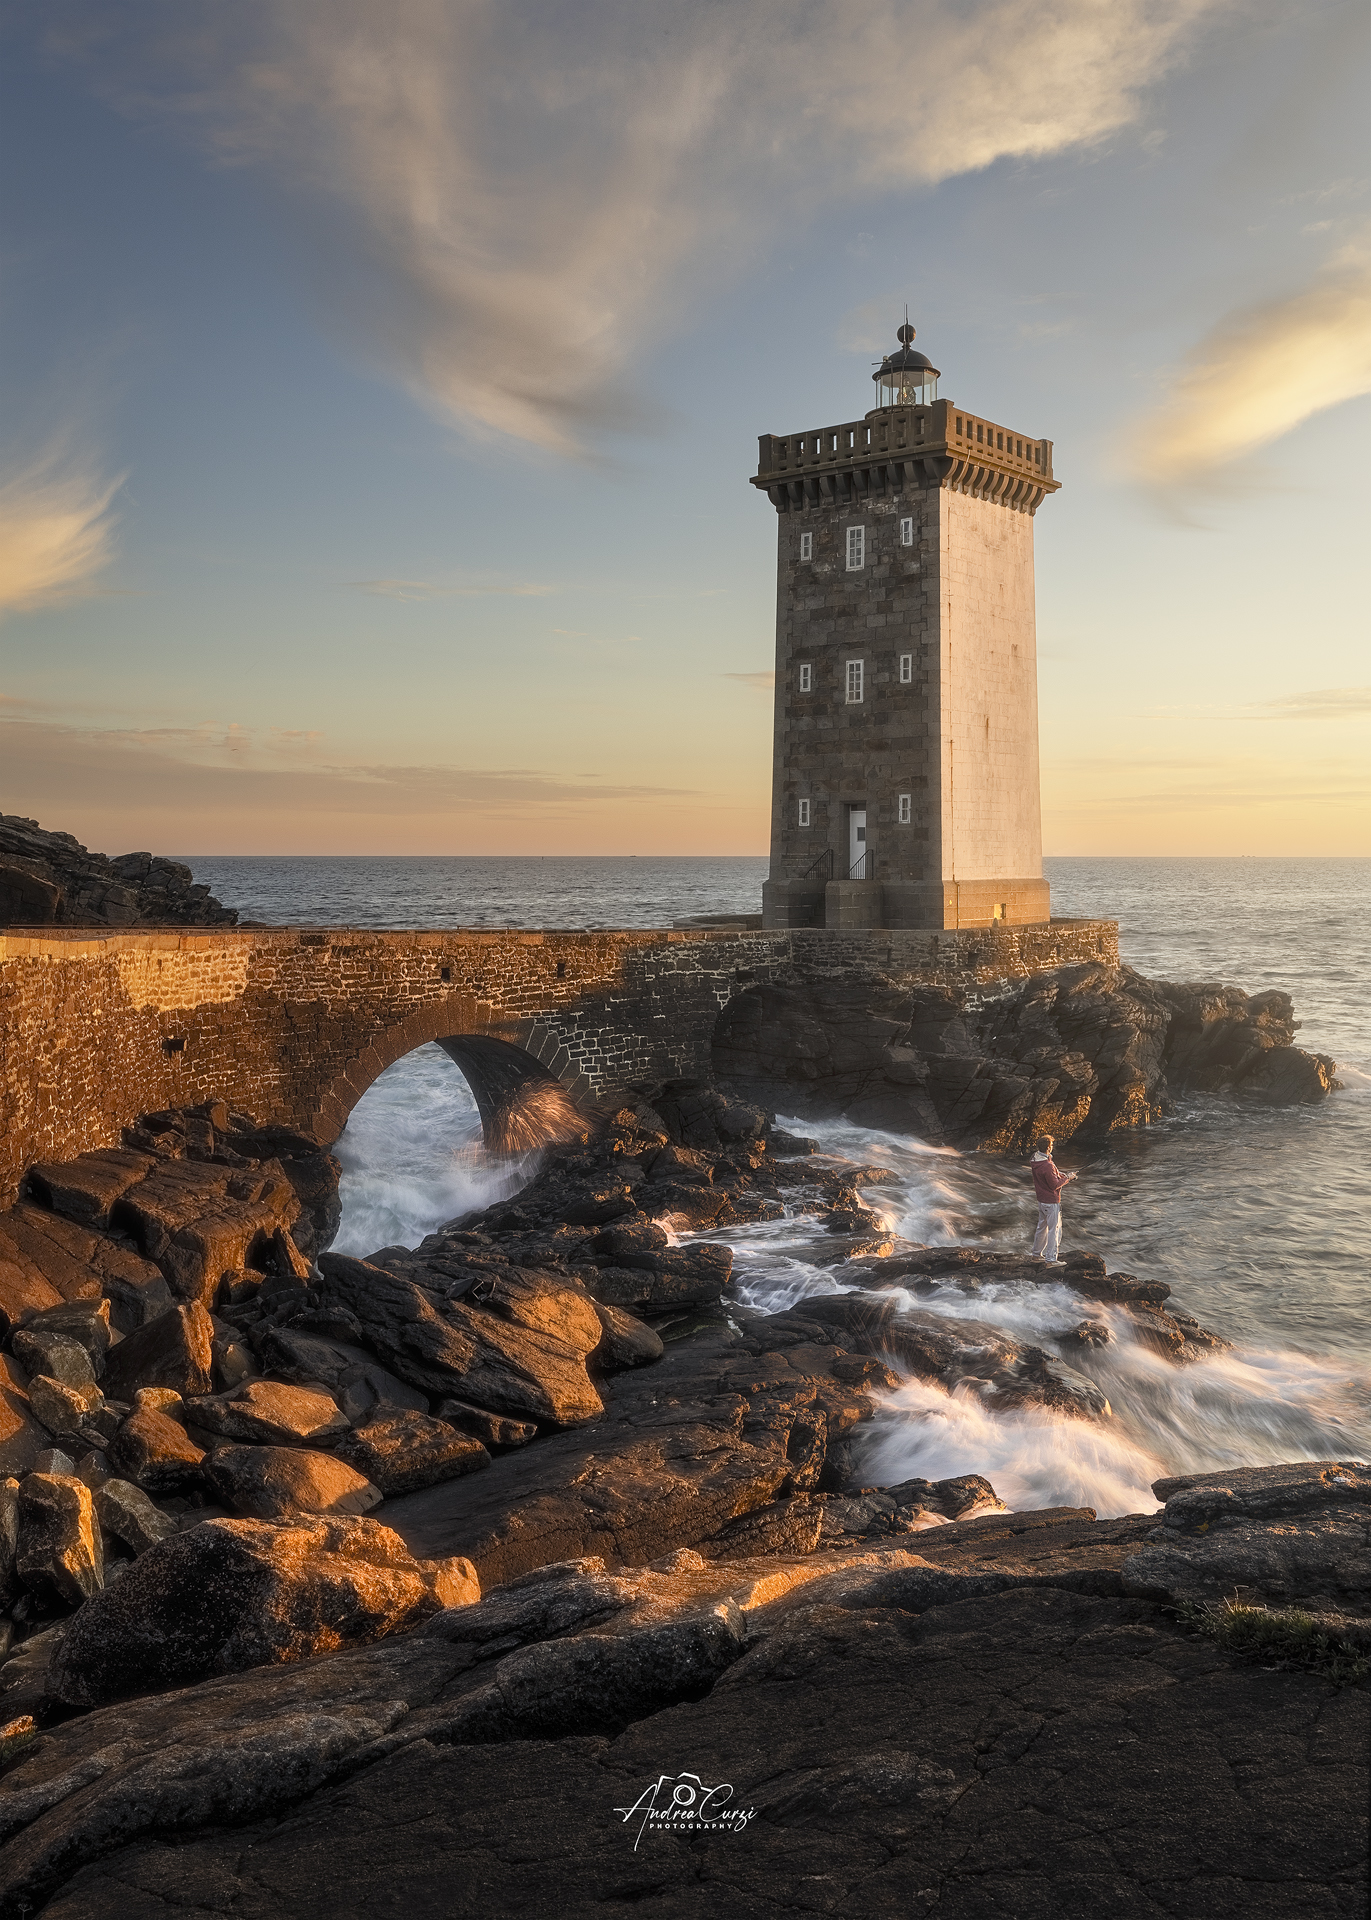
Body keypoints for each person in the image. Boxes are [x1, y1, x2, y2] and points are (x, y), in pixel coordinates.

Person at [1029, 1133, 1075, 1262]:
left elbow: (1051, 1173)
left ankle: (1036, 1255)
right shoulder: (1047, 1165)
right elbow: (1054, 1185)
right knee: (1054, 1231)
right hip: (1051, 1201)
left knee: (1041, 1228)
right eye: (1052, 1145)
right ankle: (1051, 1260)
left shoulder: (1035, 1159)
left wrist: (1062, 1175)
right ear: (1048, 1147)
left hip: (1041, 1200)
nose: (1052, 1147)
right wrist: (1068, 1178)